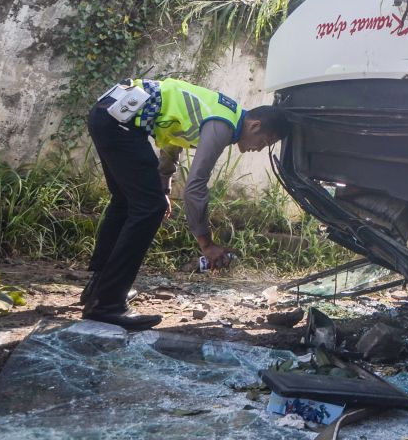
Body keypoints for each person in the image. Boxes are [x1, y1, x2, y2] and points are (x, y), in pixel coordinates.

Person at [82, 77, 291, 330]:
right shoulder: (223, 123)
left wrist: (163, 187)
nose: (259, 149)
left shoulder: (223, 111)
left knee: (126, 203)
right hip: (120, 123)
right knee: (149, 209)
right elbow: (195, 186)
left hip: (108, 114)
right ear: (255, 126)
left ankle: (99, 290)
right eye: (265, 142)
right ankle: (107, 304)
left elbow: (172, 138)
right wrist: (207, 244)